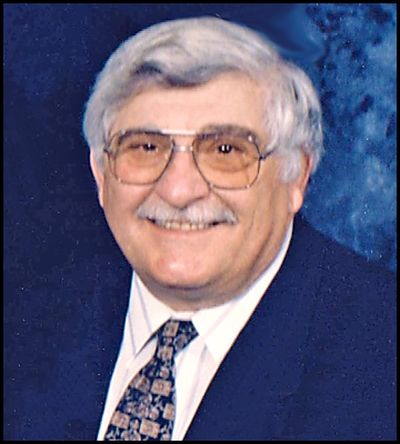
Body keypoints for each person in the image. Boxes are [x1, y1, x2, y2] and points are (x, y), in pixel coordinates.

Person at [5, 16, 395, 441]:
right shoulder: (26, 317)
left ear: (296, 176)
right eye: (145, 147)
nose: (178, 190)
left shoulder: (380, 353)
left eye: (226, 150)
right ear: (101, 174)